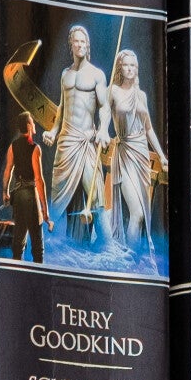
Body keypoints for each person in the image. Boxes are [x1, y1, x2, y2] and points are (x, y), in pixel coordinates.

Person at [45, 23, 110, 244]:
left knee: (96, 198)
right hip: (66, 141)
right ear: (71, 45)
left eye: (84, 42)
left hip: (85, 141)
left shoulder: (97, 74)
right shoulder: (65, 74)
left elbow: (104, 107)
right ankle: (55, 245)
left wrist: (103, 129)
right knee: (58, 199)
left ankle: (106, 245)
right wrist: (53, 131)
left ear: (87, 45)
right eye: (77, 41)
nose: (80, 45)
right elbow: (62, 107)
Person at [107, 45, 166, 254]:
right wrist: (103, 131)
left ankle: (134, 257)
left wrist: (161, 156)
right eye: (126, 65)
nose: (130, 69)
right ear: (120, 68)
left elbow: (148, 128)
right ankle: (131, 260)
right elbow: (104, 115)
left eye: (133, 65)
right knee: (137, 212)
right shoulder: (113, 91)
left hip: (141, 154)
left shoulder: (141, 96)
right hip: (125, 153)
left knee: (142, 214)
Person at [2, 113, 47, 262]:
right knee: (37, 246)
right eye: (32, 122)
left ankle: (17, 271)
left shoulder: (13, 146)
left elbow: (7, 171)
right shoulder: (35, 148)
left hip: (18, 196)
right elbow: (39, 180)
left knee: (18, 242)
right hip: (30, 194)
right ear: (28, 126)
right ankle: (38, 274)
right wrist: (45, 209)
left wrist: (5, 192)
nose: (34, 125)